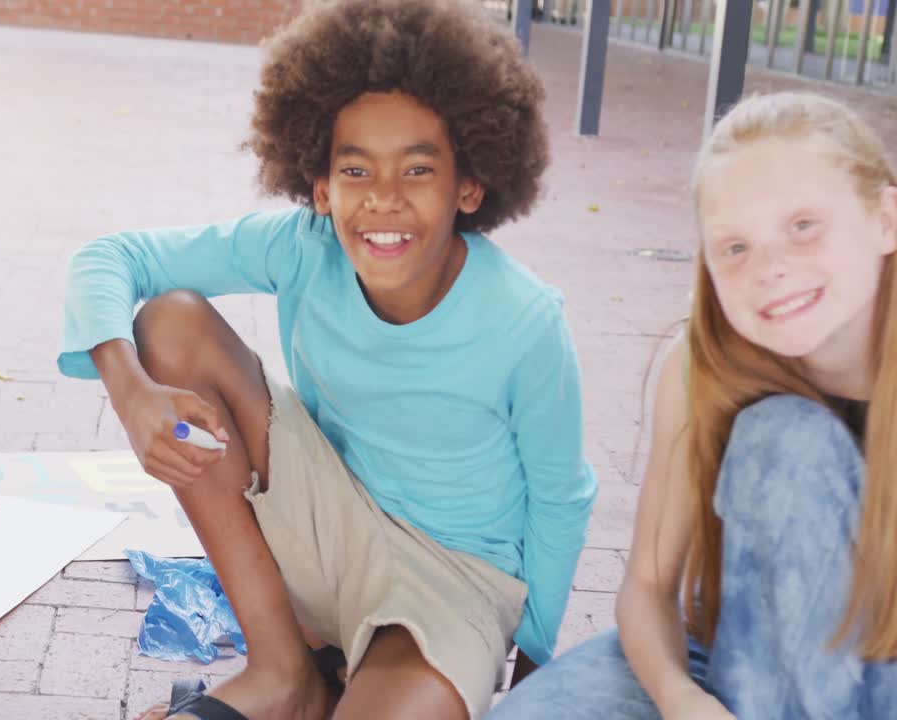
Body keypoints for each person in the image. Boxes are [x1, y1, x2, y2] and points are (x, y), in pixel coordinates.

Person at [58, 1, 597, 717]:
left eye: (417, 170)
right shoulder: (303, 244)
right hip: (326, 521)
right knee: (172, 321)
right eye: (355, 169)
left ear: (469, 186)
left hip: (453, 584)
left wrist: (532, 673)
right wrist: (129, 394)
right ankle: (283, 671)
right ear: (320, 186)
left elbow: (562, 499)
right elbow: (112, 257)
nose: (382, 200)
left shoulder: (525, 322)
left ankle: (335, 686)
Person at [490, 91, 897, 719]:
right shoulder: (704, 362)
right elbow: (648, 588)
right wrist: (682, 701)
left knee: (784, 440)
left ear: (885, 219)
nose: (771, 267)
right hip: (729, 647)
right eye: (736, 247)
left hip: (878, 667)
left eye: (803, 227)